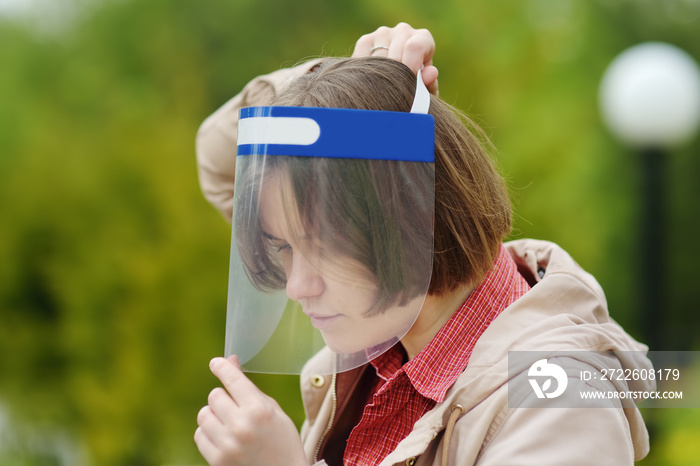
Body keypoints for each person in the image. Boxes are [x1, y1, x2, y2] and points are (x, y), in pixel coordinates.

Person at [194, 23, 653, 466]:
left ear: (408, 214)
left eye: (323, 248)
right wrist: (354, 85)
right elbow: (216, 159)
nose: (296, 286)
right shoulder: (381, 339)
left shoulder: (558, 403)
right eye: (284, 249)